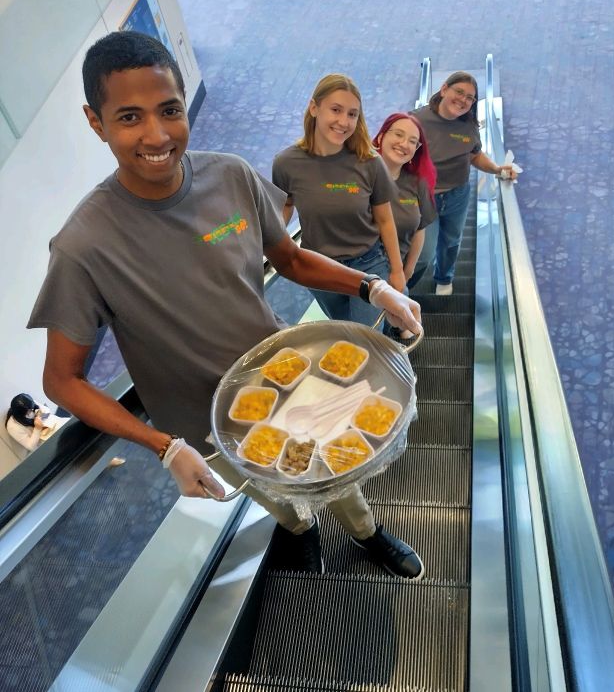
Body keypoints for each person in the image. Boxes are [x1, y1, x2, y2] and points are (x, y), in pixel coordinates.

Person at [27, 31, 425, 580]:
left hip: (287, 376)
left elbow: (288, 256)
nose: (157, 134)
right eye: (128, 117)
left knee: (337, 469)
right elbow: (61, 382)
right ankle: (299, 530)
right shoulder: (84, 246)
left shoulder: (230, 176)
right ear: (96, 122)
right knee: (270, 491)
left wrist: (374, 287)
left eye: (169, 109)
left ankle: (365, 532)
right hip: (202, 421)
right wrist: (161, 447)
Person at [272, 74, 405, 327]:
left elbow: (385, 220)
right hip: (318, 267)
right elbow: (286, 204)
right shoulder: (286, 163)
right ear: (314, 108)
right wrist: (273, 240)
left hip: (368, 265)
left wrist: (397, 272)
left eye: (352, 114)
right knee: (344, 328)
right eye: (336, 110)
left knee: (368, 339)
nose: (344, 122)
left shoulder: (370, 163)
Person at [410, 71, 517, 294]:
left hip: (457, 195)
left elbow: (474, 155)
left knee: (451, 241)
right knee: (423, 253)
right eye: (459, 92)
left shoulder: (468, 126)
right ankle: (400, 291)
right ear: (444, 89)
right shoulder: (416, 121)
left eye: (470, 97)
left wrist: (497, 169)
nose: (463, 100)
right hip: (423, 197)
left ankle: (444, 277)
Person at [372, 112, 437, 338]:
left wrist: (406, 271)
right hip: (363, 271)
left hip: (396, 272)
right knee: (371, 331)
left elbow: (420, 230)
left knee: (403, 330)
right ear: (380, 137)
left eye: (412, 141)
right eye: (398, 134)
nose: (404, 144)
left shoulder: (416, 183)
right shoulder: (359, 176)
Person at [4, 393, 51, 460]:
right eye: (29, 412)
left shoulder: (28, 403)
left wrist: (39, 415)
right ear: (21, 414)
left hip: (48, 433)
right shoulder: (12, 426)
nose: (31, 412)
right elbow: (31, 446)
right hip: (39, 449)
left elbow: (47, 410)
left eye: (31, 409)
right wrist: (37, 429)